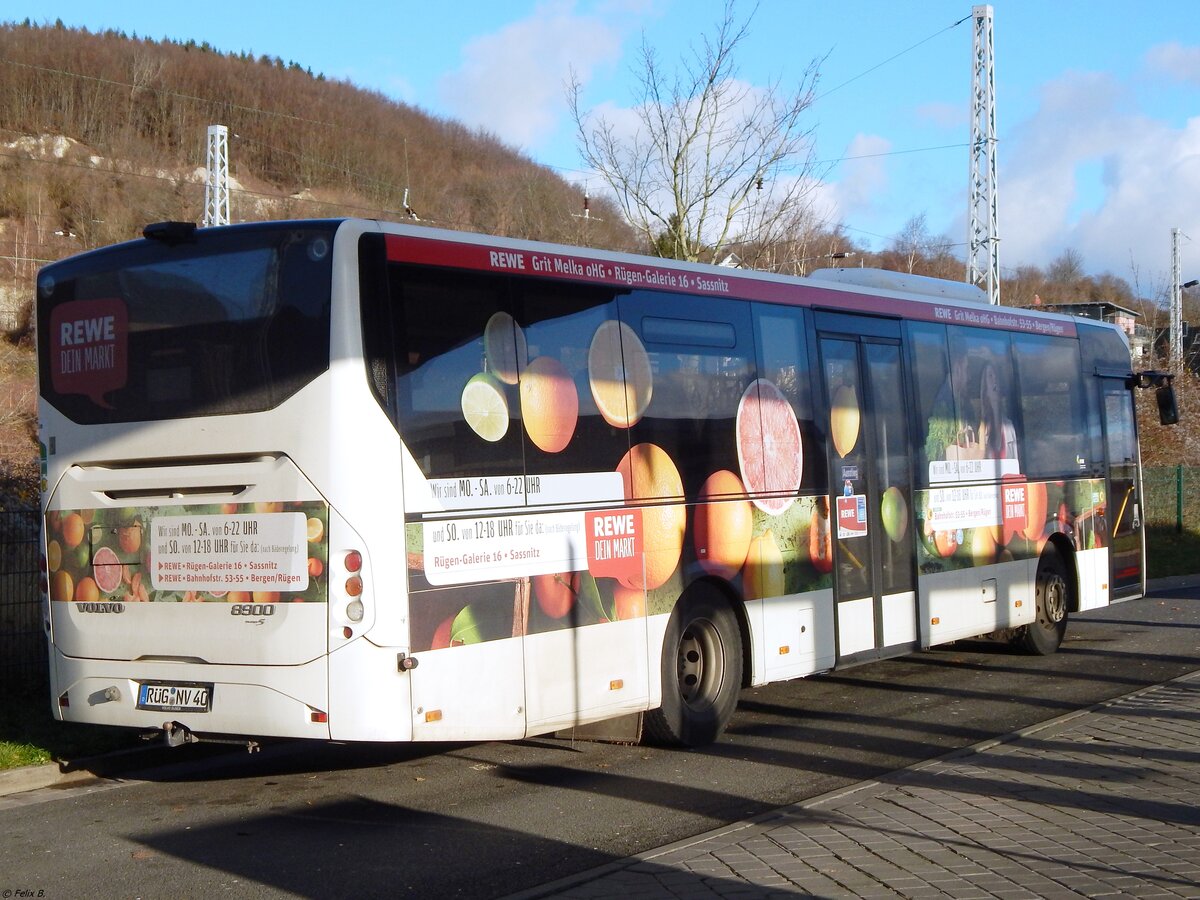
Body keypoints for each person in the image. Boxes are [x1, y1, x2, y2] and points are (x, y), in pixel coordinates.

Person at [977, 362, 1019, 464]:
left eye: (996, 375)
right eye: (990, 376)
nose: (994, 379)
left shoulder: (1009, 427)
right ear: (985, 389)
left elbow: (1015, 463)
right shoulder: (981, 427)